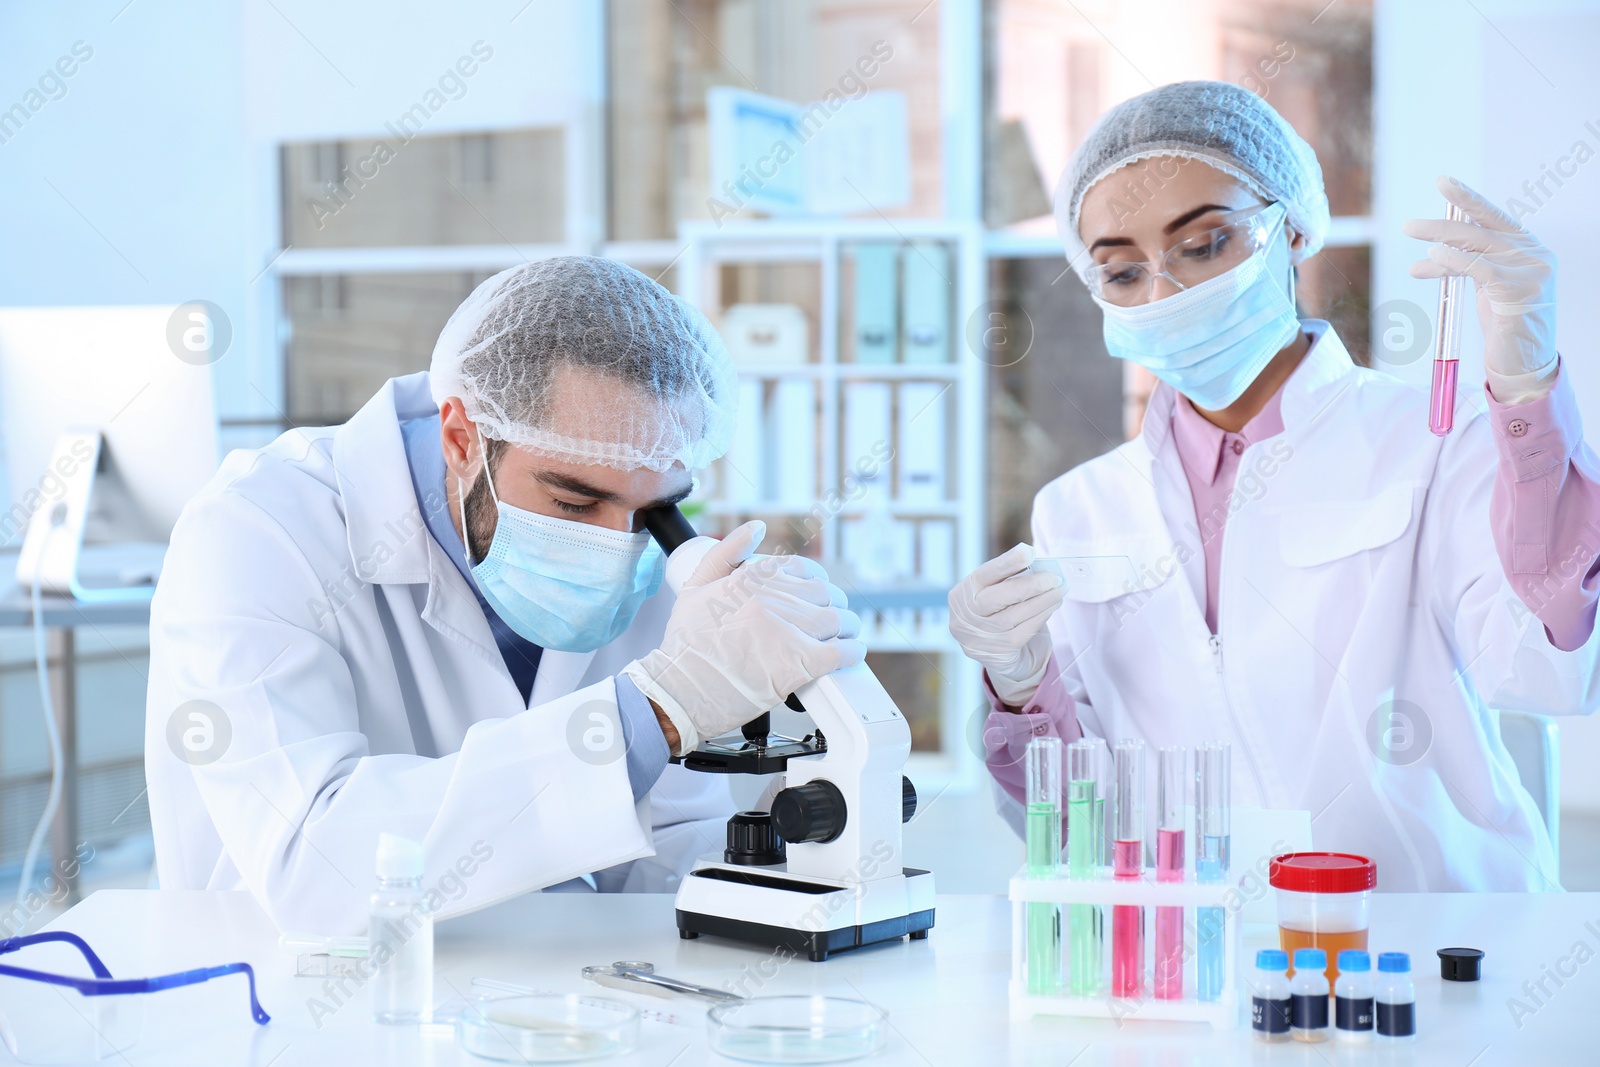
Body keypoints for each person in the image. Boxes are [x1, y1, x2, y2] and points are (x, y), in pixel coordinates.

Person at [950, 81, 1600, 892]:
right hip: (1198, 951)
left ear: (1292, 230)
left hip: (1435, 938)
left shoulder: (1435, 443)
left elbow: (1547, 671)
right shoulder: (1079, 509)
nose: (1165, 294)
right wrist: (1019, 689)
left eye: (1205, 243)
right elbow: (1068, 824)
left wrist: (1530, 396)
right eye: (1121, 272)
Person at [145, 257, 863, 933]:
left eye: (653, 512)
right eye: (576, 503)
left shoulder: (646, 561)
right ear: (462, 439)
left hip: (541, 1010)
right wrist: (655, 711)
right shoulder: (258, 532)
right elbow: (315, 865)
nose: (618, 548)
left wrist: (809, 795)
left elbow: (661, 863)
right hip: (294, 1009)